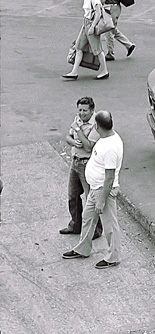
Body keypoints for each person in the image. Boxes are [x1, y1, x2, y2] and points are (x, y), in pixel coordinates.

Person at [63, 110, 124, 269]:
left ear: (97, 126)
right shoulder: (106, 138)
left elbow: (109, 178)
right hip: (96, 187)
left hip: (103, 191)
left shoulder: (111, 147)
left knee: (110, 225)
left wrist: (102, 200)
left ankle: (113, 257)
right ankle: (83, 248)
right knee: (88, 218)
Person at [60, 97, 103, 239]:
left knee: (91, 198)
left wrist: (78, 130)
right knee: (73, 195)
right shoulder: (77, 119)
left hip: (87, 164)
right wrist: (73, 141)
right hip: (75, 162)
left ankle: (96, 229)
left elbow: (88, 146)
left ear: (92, 110)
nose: (81, 113)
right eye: (79, 110)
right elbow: (68, 137)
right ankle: (75, 225)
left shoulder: (96, 124)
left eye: (85, 110)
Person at [63, 0, 109, 81]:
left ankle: (105, 70)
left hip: (91, 24)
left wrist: (92, 26)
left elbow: (98, 13)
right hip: (85, 23)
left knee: (97, 49)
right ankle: (74, 72)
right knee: (79, 47)